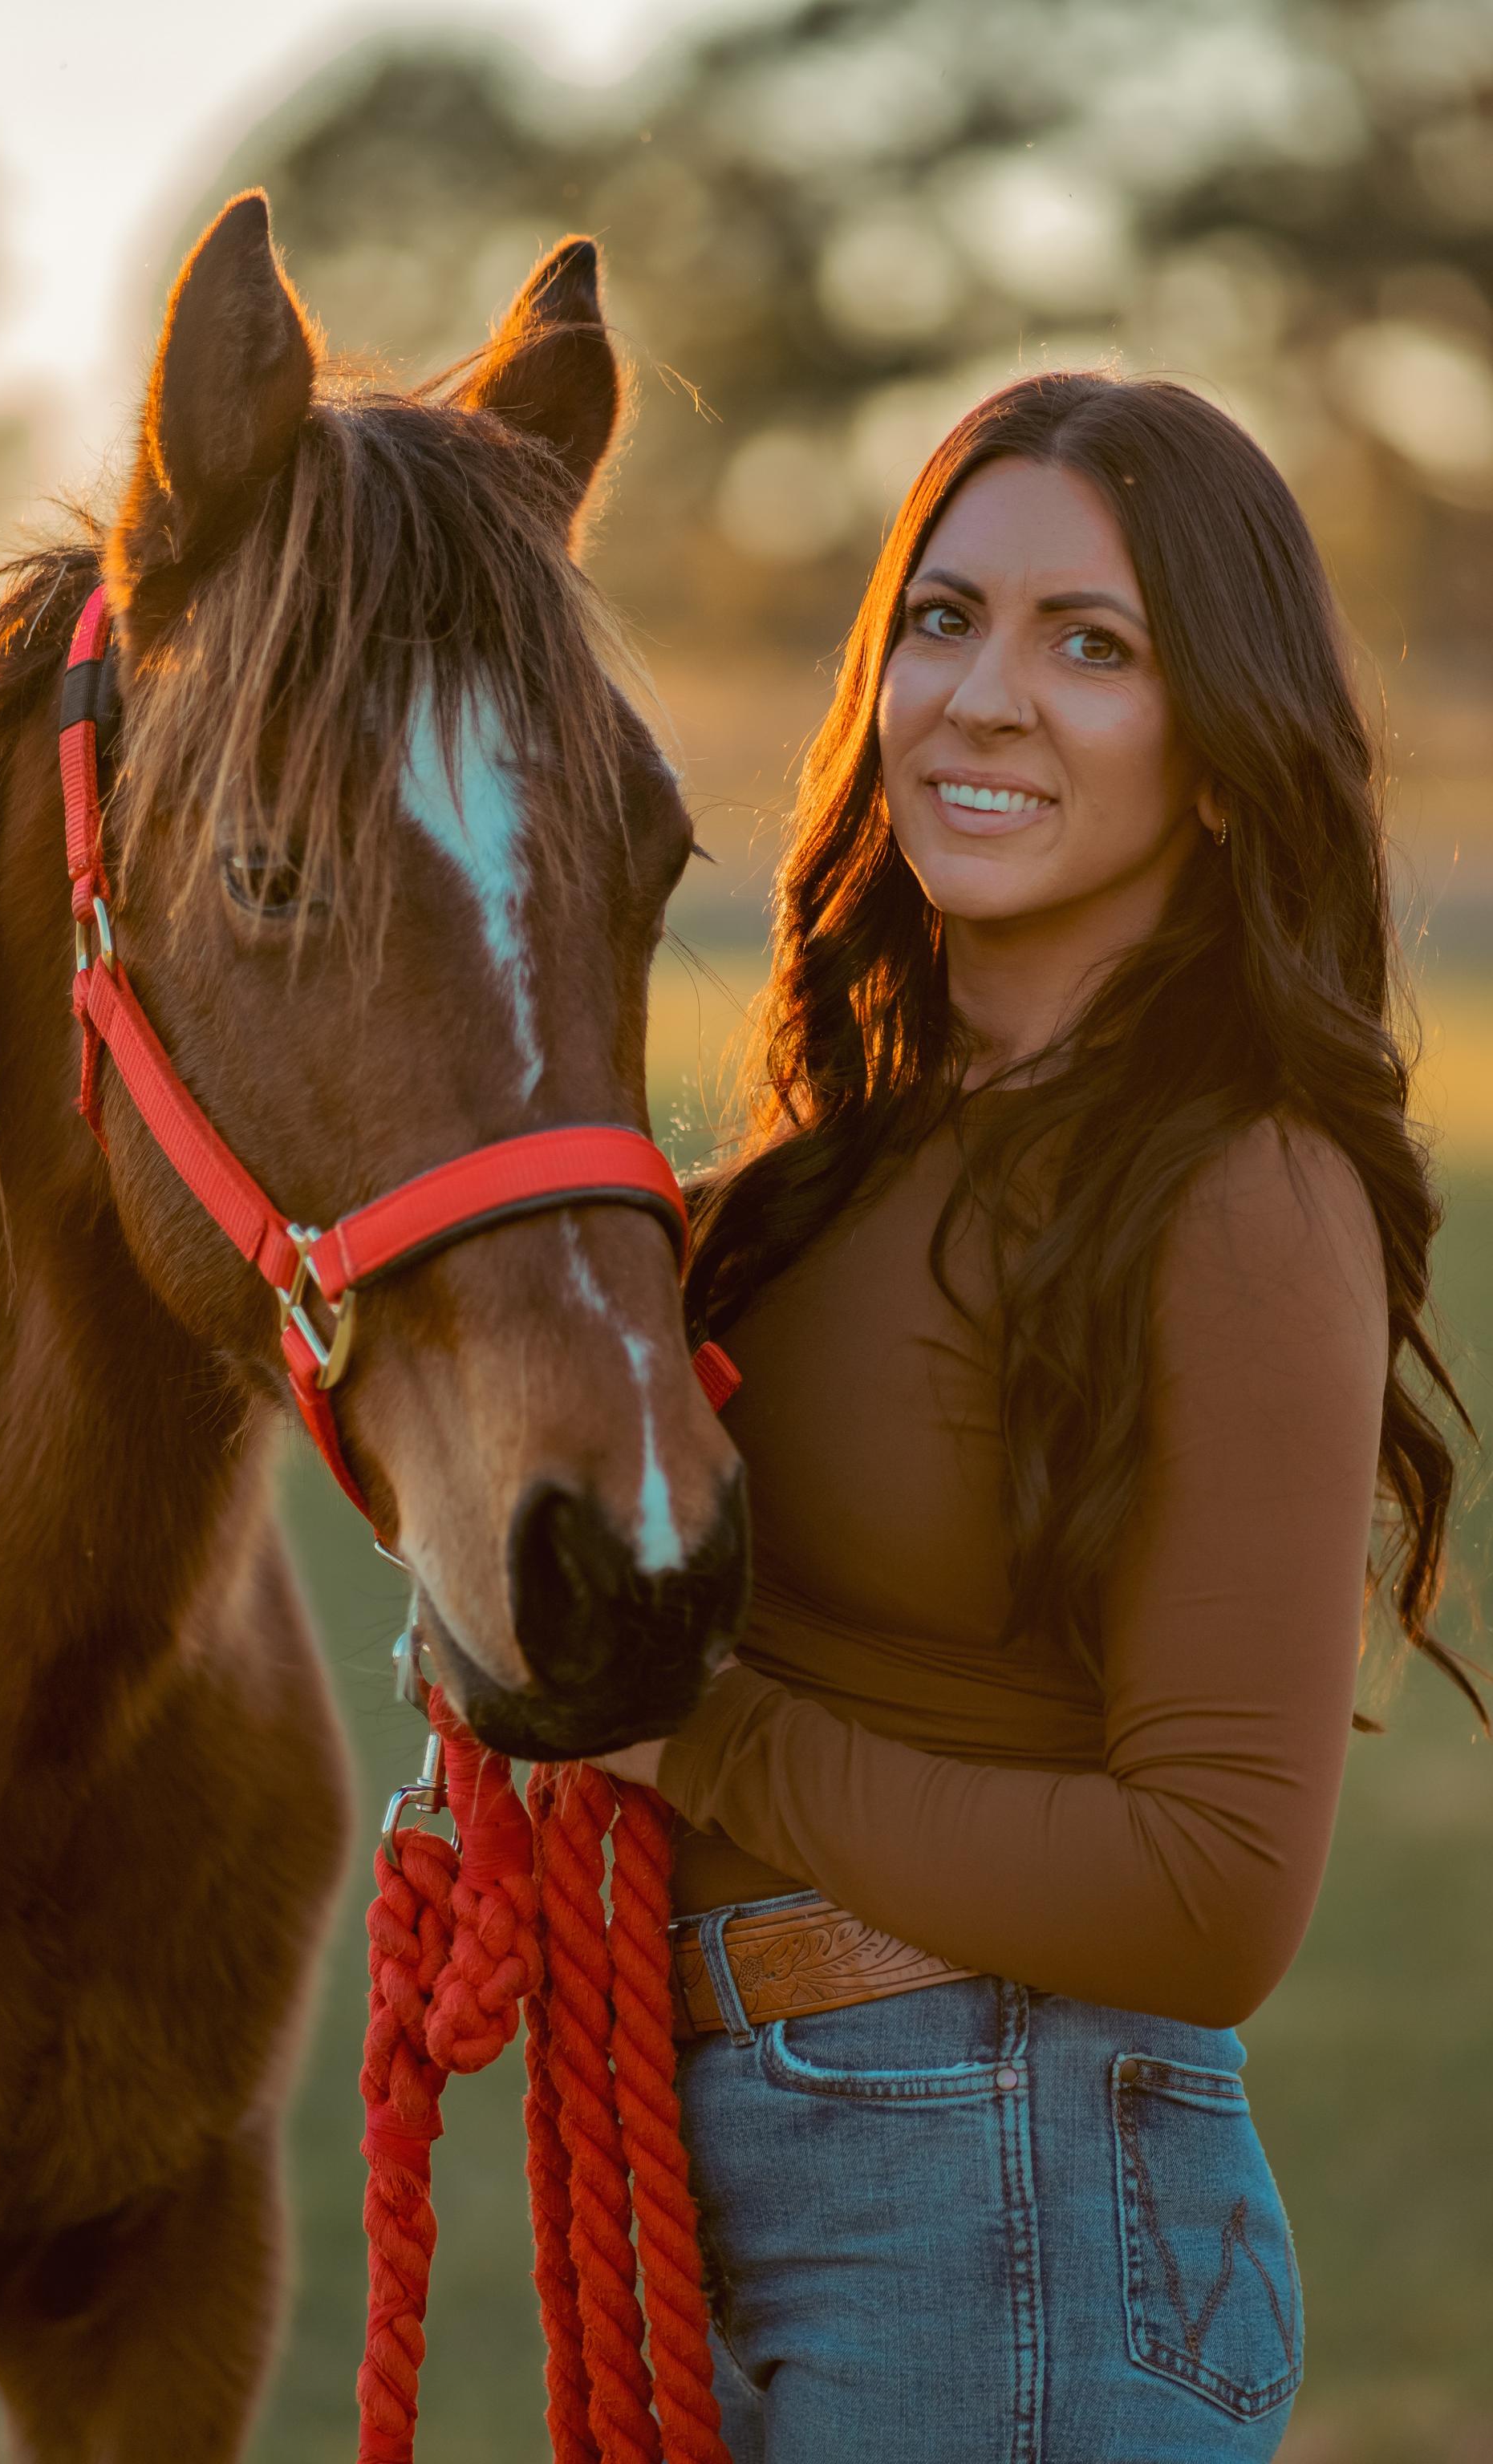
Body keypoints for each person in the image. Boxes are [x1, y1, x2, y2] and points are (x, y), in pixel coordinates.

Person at [592, 371, 1479, 2464]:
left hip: (1011, 2204)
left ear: (1224, 754)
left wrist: (692, 1732)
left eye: (1093, 647)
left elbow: (1214, 1895)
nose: (983, 697)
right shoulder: (826, 1170)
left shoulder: (1241, 1189)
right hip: (764, 2183)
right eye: (944, 619)